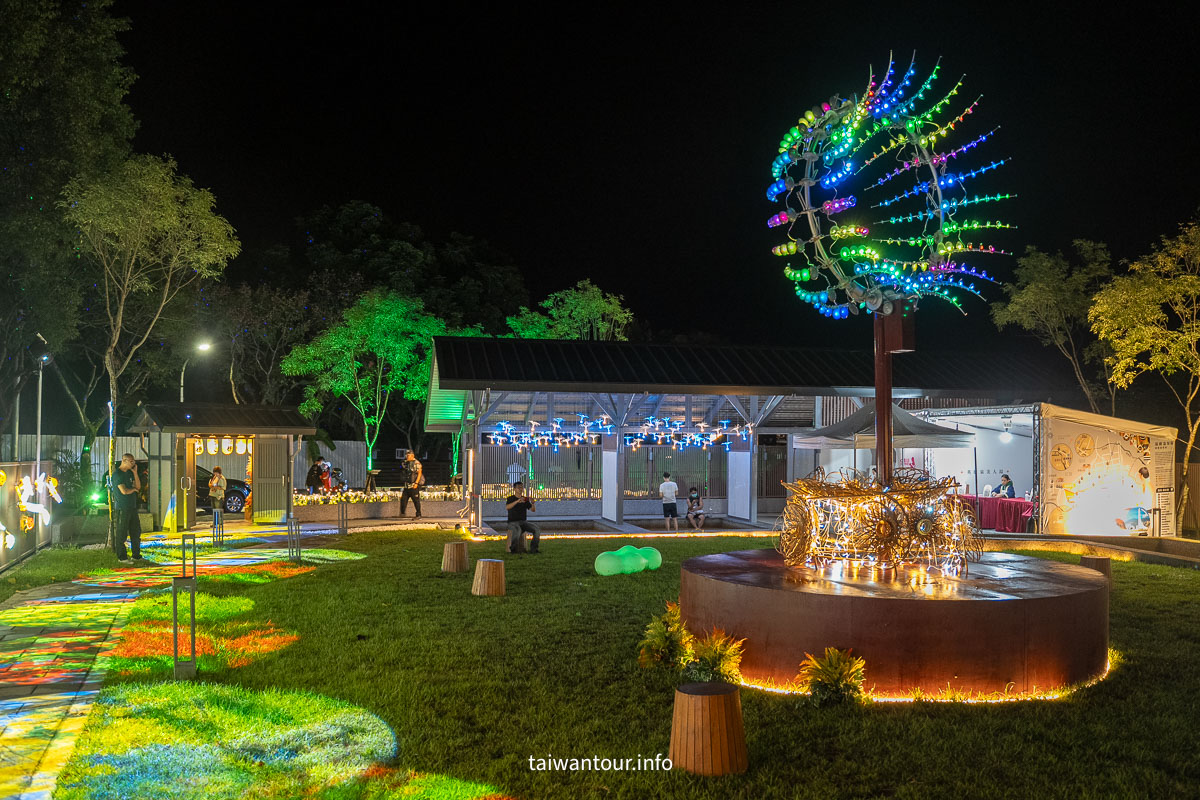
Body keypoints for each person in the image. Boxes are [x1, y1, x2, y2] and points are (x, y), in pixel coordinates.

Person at [111, 453, 142, 562]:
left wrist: (135, 473)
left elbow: (138, 486)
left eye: (133, 461)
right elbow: (124, 491)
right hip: (122, 508)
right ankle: (122, 557)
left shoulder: (129, 473)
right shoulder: (117, 475)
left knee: (136, 531)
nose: (133, 463)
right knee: (122, 532)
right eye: (131, 461)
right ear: (124, 461)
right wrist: (133, 490)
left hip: (132, 507)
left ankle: (136, 555)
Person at [505, 481, 541, 553]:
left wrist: (533, 503)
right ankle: (513, 549)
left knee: (536, 529)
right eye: (519, 487)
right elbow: (507, 507)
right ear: (514, 489)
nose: (521, 489)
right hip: (512, 522)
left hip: (523, 522)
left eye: (522, 487)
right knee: (517, 530)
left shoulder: (525, 500)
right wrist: (517, 501)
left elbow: (533, 510)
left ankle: (534, 549)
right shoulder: (510, 498)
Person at [401, 450, 423, 519]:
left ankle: (418, 514)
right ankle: (402, 513)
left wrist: (416, 483)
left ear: (412, 455)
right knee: (403, 499)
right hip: (406, 485)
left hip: (413, 485)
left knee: (416, 500)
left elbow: (419, 473)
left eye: (408, 455)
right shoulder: (406, 463)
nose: (406, 456)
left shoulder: (417, 463)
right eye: (406, 455)